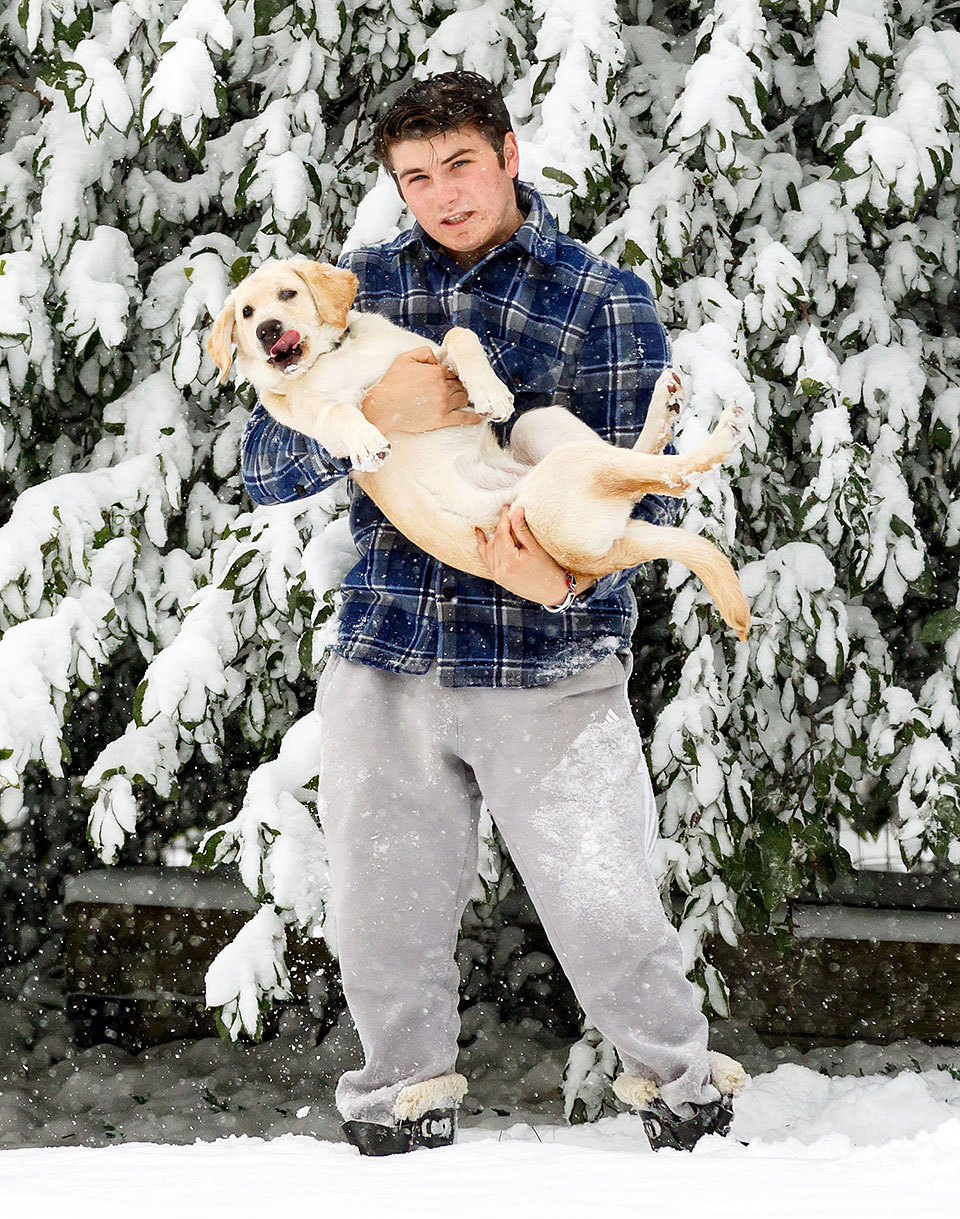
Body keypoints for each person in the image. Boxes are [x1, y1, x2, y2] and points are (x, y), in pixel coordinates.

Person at [240, 71, 744, 1156]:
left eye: (461, 165)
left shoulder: (600, 297)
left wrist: (559, 573)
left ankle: (683, 1092)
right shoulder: (350, 291)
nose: (442, 194)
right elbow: (266, 465)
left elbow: (620, 480)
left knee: (604, 906)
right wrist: (368, 406)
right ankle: (400, 1110)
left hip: (546, 654)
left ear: (509, 157)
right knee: (380, 916)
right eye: (414, 176)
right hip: (388, 645)